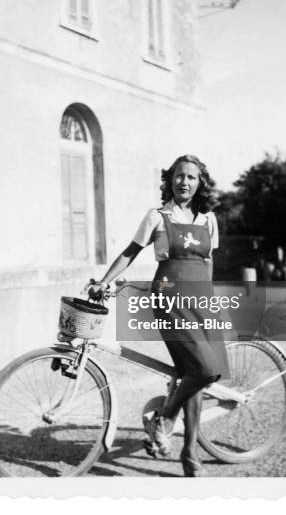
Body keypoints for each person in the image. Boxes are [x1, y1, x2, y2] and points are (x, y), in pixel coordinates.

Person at [90, 155, 229, 477]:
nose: (185, 182)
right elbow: (130, 251)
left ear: (200, 182)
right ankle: (165, 418)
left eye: (192, 177)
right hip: (170, 298)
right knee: (205, 370)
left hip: (202, 300)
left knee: (194, 374)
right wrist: (104, 281)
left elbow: (208, 263)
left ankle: (190, 453)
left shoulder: (208, 219)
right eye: (179, 176)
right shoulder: (157, 216)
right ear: (170, 180)